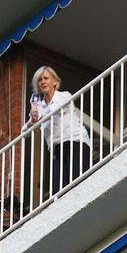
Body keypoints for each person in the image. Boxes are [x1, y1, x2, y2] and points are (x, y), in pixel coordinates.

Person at [22, 66, 92, 197]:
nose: (43, 82)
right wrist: (32, 120)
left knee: (78, 179)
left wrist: (38, 115)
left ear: (55, 81)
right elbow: (24, 133)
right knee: (58, 189)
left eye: (46, 78)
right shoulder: (39, 106)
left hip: (75, 141)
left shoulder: (64, 96)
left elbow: (55, 109)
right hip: (57, 149)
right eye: (40, 80)